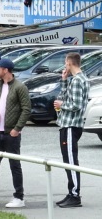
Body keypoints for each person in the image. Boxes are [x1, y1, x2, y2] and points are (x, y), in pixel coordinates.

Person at [0, 58, 31, 209]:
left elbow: (26, 109)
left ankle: (19, 197)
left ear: (5, 70)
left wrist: (17, 128)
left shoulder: (20, 87)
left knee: (15, 165)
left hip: (11, 133)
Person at [53, 52, 90, 208]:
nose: (65, 66)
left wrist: (62, 106)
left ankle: (75, 194)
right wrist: (63, 80)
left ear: (69, 63)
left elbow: (76, 105)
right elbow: (67, 96)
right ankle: (71, 192)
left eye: (66, 63)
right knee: (69, 160)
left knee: (71, 160)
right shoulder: (79, 79)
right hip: (70, 124)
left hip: (70, 125)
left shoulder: (77, 81)